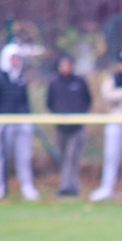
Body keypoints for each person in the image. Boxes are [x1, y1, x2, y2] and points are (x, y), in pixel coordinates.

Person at [0, 43, 39, 201]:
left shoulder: (21, 79)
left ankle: (27, 186)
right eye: (13, 58)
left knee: (24, 157)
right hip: (4, 123)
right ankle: (0, 187)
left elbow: (25, 102)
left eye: (18, 58)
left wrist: (29, 120)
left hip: (22, 122)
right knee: (1, 157)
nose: (16, 62)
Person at [90, 50, 122, 202]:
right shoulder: (113, 78)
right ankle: (107, 188)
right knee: (111, 156)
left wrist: (120, 95)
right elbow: (107, 94)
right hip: (115, 120)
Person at [46, 55, 92, 197]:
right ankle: (68, 185)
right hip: (61, 128)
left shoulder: (79, 82)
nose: (65, 68)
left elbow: (87, 100)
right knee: (63, 157)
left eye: (68, 65)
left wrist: (80, 116)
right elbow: (49, 103)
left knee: (72, 157)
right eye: (62, 65)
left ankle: (67, 188)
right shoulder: (54, 83)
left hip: (76, 127)